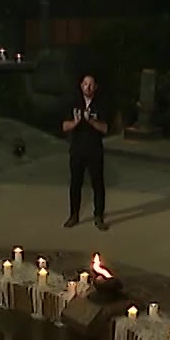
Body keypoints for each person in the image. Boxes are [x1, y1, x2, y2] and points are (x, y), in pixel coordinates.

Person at [62, 74, 108, 230]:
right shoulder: (74, 103)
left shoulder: (101, 104)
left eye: (91, 84)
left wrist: (91, 121)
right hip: (77, 150)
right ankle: (73, 215)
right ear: (81, 86)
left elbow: (105, 128)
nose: (88, 87)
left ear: (96, 87)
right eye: (85, 84)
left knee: (98, 184)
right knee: (75, 183)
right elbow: (64, 126)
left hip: (95, 150)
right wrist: (75, 122)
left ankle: (99, 216)